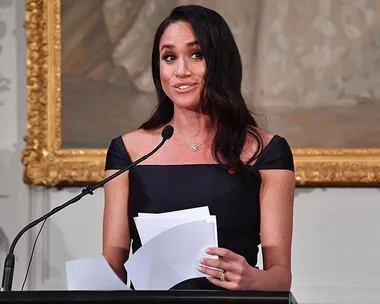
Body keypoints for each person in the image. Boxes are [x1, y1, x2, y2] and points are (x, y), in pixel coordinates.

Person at [102, 4, 295, 291]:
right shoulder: (128, 150)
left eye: (196, 55)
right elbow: (111, 270)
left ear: (220, 62)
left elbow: (280, 277)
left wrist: (252, 278)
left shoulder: (266, 151)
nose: (181, 71)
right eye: (169, 57)